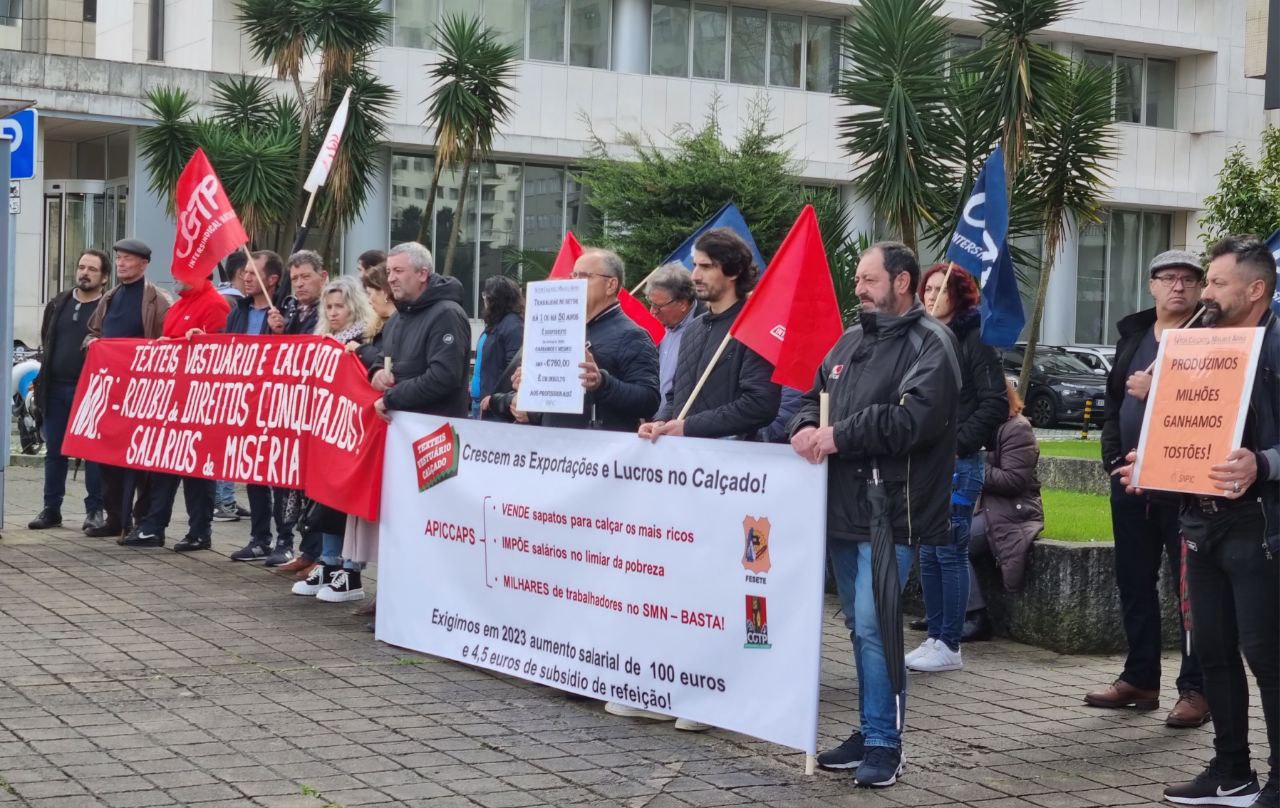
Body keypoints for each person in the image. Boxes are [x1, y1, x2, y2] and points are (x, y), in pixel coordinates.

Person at [1115, 236, 1278, 808]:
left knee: (1266, 655)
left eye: (1215, 282)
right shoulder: (1197, 344)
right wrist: (1150, 463)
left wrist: (1263, 463)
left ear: (1255, 290)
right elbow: (1188, 427)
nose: (1202, 293)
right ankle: (1231, 772)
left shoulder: (1276, 346)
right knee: (1211, 652)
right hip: (1200, 524)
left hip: (1259, 526)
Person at [790, 241, 959, 788]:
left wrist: (836, 435)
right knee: (857, 625)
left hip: (893, 510)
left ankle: (887, 743)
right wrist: (799, 429)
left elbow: (910, 422)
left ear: (903, 281)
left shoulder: (931, 343)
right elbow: (809, 396)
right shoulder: (847, 340)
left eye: (868, 279)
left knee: (873, 623)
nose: (857, 288)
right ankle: (869, 728)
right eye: (857, 279)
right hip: (840, 508)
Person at [1087, 249, 1208, 727]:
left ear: (1200, 289)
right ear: (1151, 286)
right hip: (1130, 486)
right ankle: (1140, 678)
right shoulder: (1133, 337)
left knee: (1192, 592)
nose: (1178, 286)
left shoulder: (1210, 338)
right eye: (1168, 278)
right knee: (1133, 583)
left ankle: (1196, 689)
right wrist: (1117, 464)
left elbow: (1204, 409)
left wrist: (1157, 393)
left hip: (1185, 488)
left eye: (1188, 279)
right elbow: (1115, 406)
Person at [907, 265, 1006, 673]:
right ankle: (934, 635)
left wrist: (957, 443)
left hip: (958, 464)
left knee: (949, 552)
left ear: (960, 295)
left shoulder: (974, 340)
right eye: (928, 288)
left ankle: (950, 643)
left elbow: (994, 403)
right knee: (927, 552)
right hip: (926, 462)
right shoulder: (923, 339)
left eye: (941, 288)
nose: (932, 296)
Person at [118, 276, 230, 550]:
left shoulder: (216, 304)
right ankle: (154, 526)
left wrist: (202, 341)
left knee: (197, 472)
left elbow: (223, 349)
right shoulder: (180, 305)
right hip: (174, 399)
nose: (177, 277)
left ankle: (199, 531)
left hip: (200, 400)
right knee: (164, 466)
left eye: (183, 272)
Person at [642, 228, 780, 441]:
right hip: (684, 461)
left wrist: (689, 427)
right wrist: (660, 422)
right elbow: (675, 395)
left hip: (729, 465)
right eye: (695, 265)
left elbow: (760, 404)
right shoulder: (693, 329)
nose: (695, 275)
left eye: (706, 266)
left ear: (733, 271)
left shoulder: (754, 326)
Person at [290, 276, 376, 601]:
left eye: (340, 305)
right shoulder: (322, 341)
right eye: (329, 306)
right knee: (324, 498)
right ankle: (328, 561)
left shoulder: (366, 339)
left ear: (354, 305)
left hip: (352, 431)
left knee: (347, 501)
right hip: (326, 430)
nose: (334, 312)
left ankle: (350, 568)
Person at [514, 249, 659, 431]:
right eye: (573, 276)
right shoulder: (562, 330)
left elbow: (649, 400)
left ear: (611, 285)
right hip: (554, 447)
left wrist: (601, 383)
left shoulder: (632, 335)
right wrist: (532, 383)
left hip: (599, 451)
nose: (575, 283)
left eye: (584, 276)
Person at [84, 238, 171, 540]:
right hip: (112, 392)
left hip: (144, 394)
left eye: (128, 259)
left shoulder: (158, 300)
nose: (121, 263)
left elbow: (167, 345)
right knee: (108, 457)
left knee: (141, 461)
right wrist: (93, 345)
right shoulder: (109, 297)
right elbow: (93, 333)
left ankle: (140, 518)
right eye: (119, 258)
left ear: (144, 264)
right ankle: (114, 517)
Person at [28, 249, 110, 533]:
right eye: (81, 267)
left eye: (92, 269)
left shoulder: (107, 306)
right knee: (55, 451)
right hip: (55, 388)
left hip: (91, 391)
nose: (84, 273)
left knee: (93, 452)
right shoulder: (58, 302)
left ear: (104, 277)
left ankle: (95, 511)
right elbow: (47, 340)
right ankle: (52, 509)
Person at [226, 251, 296, 563]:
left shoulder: (285, 312)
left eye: (254, 273)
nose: (246, 278)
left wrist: (281, 332)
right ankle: (258, 538)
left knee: (278, 476)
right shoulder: (238, 310)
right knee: (253, 472)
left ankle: (285, 539)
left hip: (277, 403)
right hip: (246, 402)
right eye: (245, 272)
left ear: (272, 280)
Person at [965, 377, 1043, 637]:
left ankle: (975, 617)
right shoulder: (980, 427)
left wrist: (969, 466)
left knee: (952, 541)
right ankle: (942, 612)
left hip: (1012, 511)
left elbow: (1013, 480)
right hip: (982, 507)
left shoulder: (1017, 428)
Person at [269, 250, 328, 571]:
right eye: (295, 279)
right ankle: (302, 548)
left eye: (306, 276)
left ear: (324, 275)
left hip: (316, 412)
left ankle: (319, 553)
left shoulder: (329, 311)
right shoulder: (289, 309)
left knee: (314, 484)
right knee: (288, 482)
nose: (300, 284)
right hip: (289, 410)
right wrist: (276, 332)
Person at [370, 241, 471, 419]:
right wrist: (377, 373)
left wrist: (392, 398)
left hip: (437, 433)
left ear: (422, 274)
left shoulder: (446, 315)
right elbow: (382, 357)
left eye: (398, 271)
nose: (391, 278)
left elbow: (443, 377)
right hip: (402, 432)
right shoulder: (396, 318)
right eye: (388, 272)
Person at [642, 263, 703, 410]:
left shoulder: (706, 327)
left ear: (682, 303)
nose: (652, 312)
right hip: (654, 422)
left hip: (684, 424)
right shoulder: (655, 329)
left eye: (658, 306)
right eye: (651, 304)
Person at [475, 275, 523, 419]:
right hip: (481, 401)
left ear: (495, 298)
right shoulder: (495, 323)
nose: (484, 299)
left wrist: (495, 399)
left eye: (485, 295)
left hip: (495, 406)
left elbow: (513, 368)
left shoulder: (513, 325)